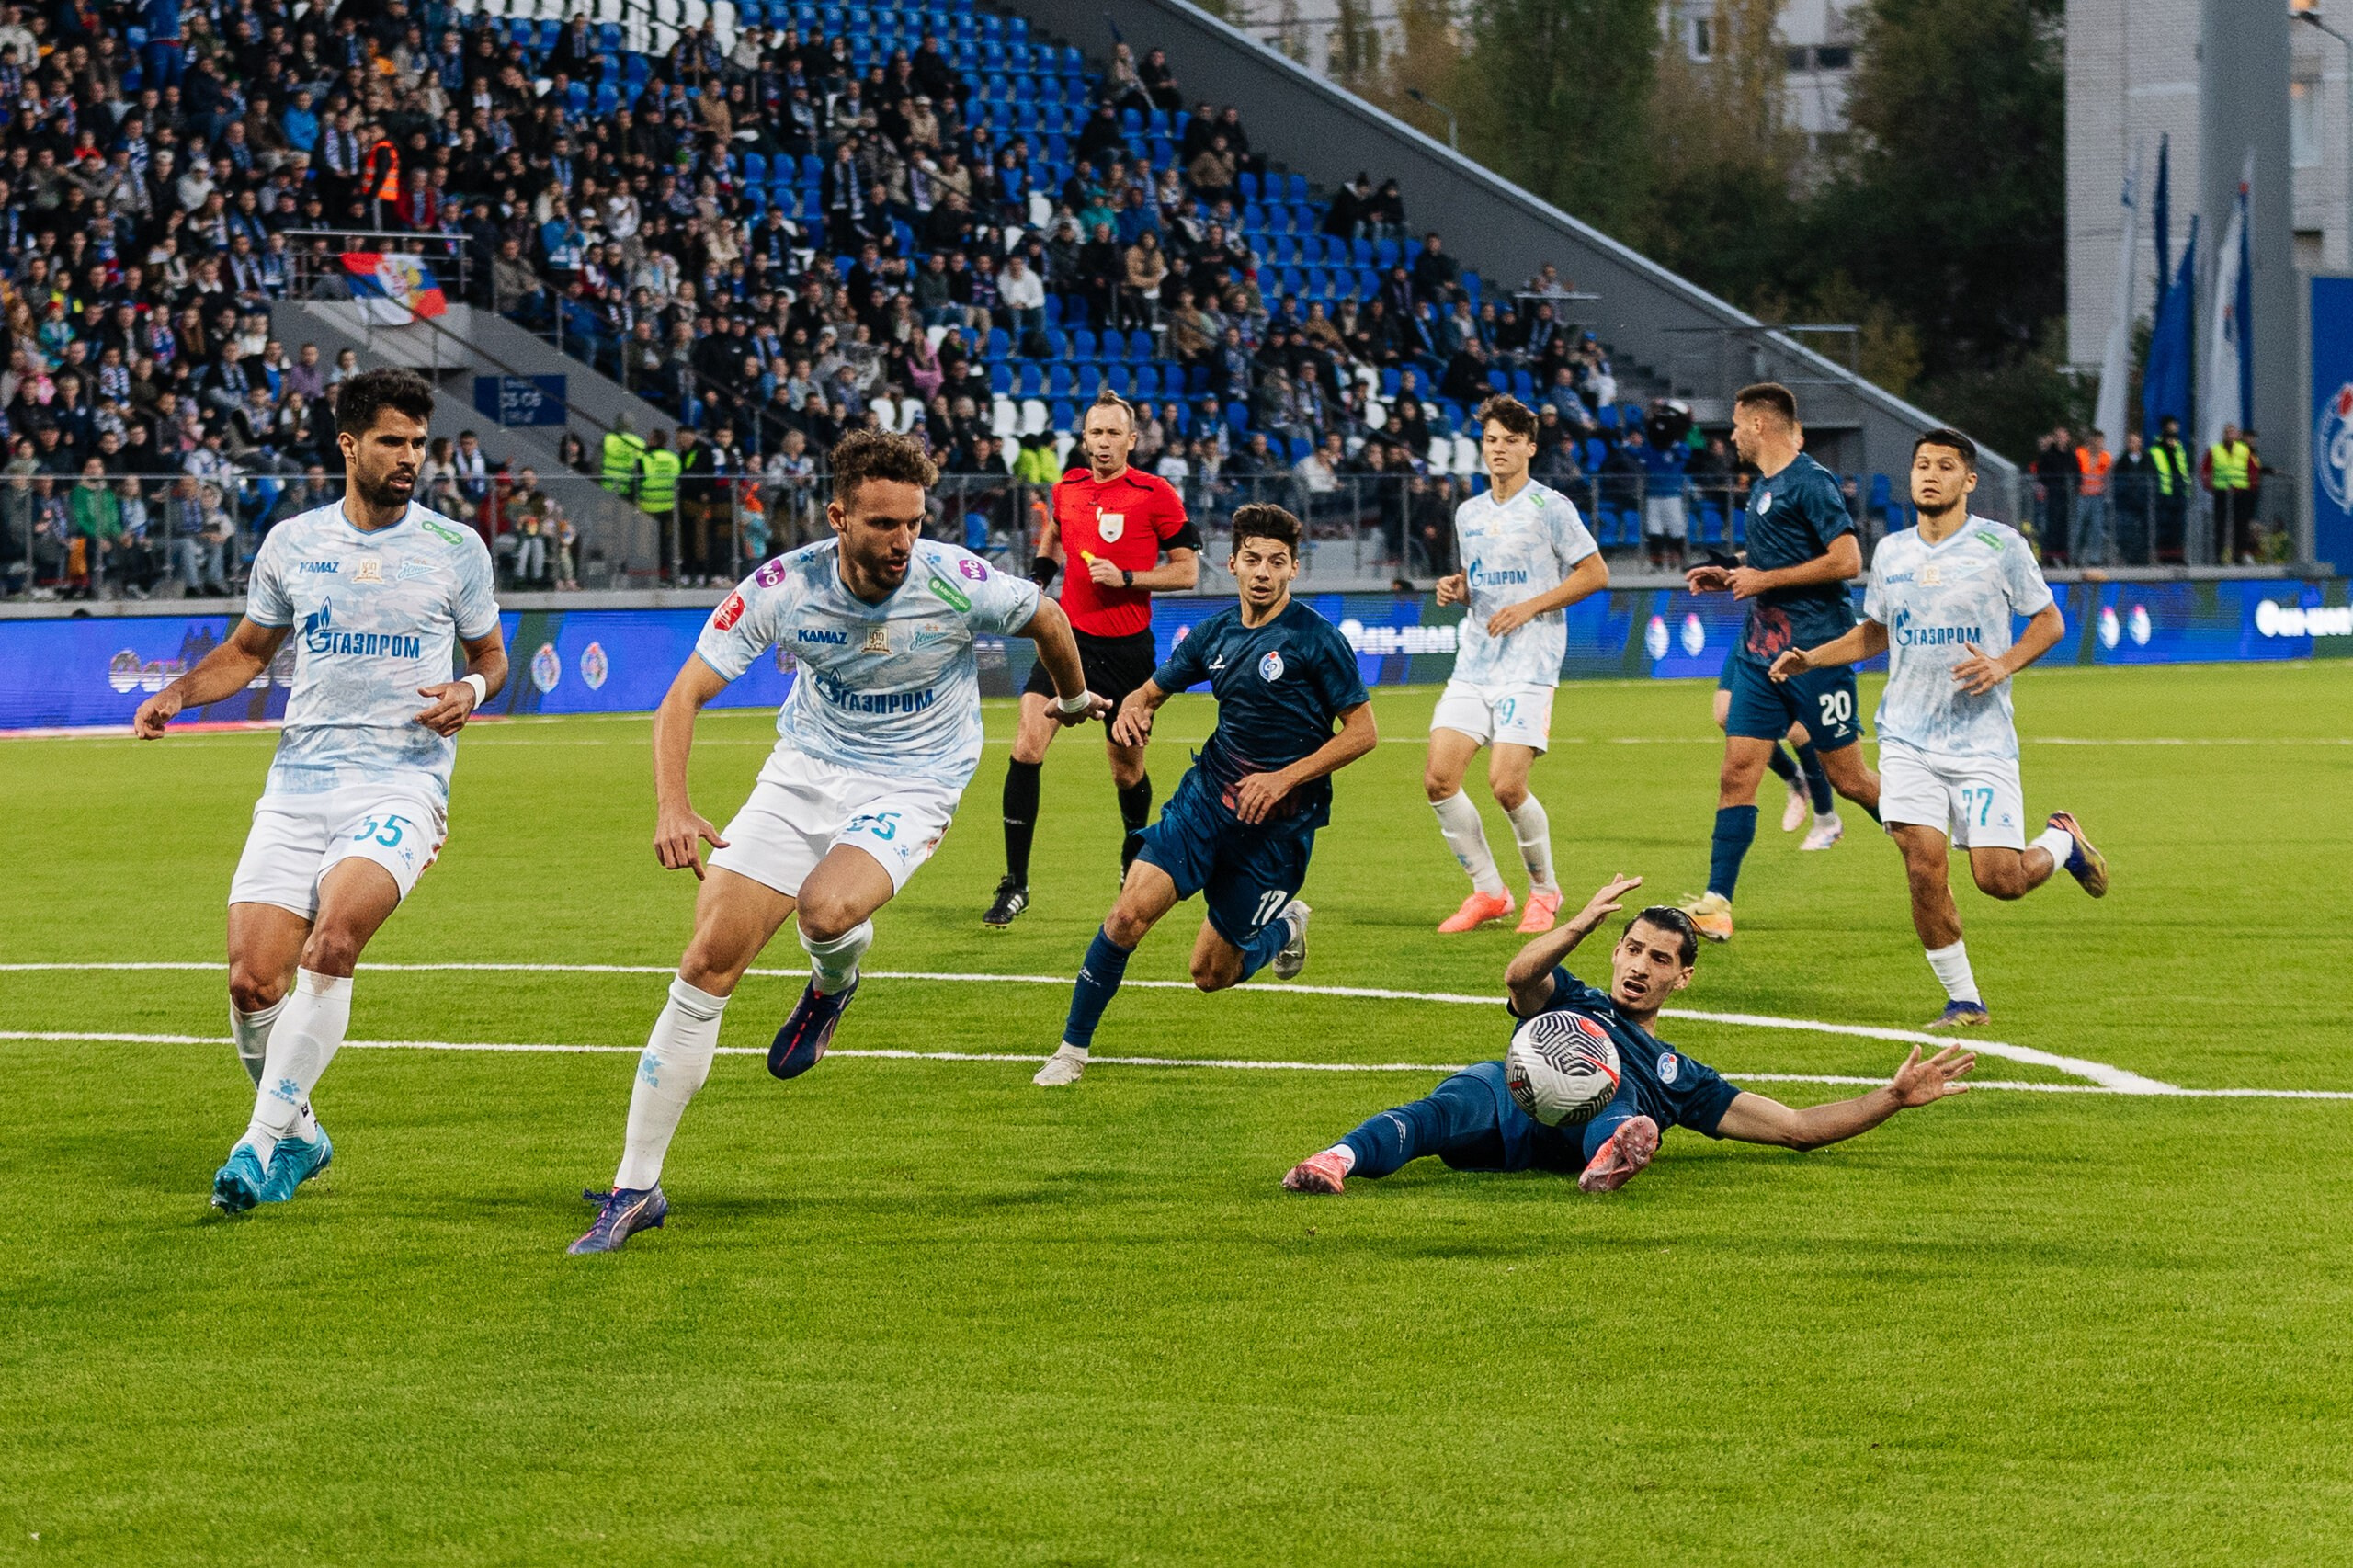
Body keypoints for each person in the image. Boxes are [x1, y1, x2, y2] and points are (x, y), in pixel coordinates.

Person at [571, 432, 1104, 1254]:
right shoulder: (784, 588)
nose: (903, 541)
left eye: (914, 523)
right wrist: (673, 805)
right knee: (707, 961)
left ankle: (832, 982)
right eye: (884, 523)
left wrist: (1069, 701)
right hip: (805, 773)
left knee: (824, 910)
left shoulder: (956, 580)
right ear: (839, 517)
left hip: (916, 780)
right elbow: (680, 699)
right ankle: (635, 1188)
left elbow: (1049, 617)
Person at [129, 370, 506, 1214]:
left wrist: (471, 690)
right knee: (251, 983)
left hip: (402, 784)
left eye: (419, 443)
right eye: (392, 441)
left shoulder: (456, 548)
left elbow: (491, 656)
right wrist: (178, 693)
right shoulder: (294, 543)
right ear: (349, 444)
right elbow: (248, 651)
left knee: (332, 945)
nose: (410, 457)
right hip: (299, 783)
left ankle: (257, 1145)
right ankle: (301, 1135)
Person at [1279, 877, 1977, 1195]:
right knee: (1446, 1106)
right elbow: (1519, 977)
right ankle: (1335, 1160)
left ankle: (1616, 1148)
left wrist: (1890, 1098)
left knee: (1618, 1097)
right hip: (1509, 1103)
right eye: (1634, 950)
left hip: (1579, 1127)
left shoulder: (1681, 1075)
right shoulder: (1572, 996)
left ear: (1684, 977)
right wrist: (1579, 923)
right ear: (1616, 951)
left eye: (1660, 959)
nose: (1641, 967)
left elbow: (1795, 1127)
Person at [1769, 428, 2109, 1027]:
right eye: (1922, 464)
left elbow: (2050, 622)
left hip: (1981, 743)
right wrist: (1813, 657)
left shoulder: (2000, 545)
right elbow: (1876, 632)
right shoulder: (1892, 552)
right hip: (1906, 739)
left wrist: (2003, 663)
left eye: (1945, 466)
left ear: (1969, 480)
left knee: (2000, 880)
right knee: (1923, 865)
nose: (1930, 474)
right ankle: (1965, 1000)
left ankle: (2061, 841)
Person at [1032, 505, 1377, 1087]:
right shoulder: (1213, 635)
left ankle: (1285, 926)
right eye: (1252, 560)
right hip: (1204, 805)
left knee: (1210, 974)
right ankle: (1071, 1051)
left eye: (1276, 562)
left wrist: (1284, 777)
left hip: (1276, 830)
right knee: (1126, 916)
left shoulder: (1317, 639)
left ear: (1294, 569)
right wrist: (1132, 713)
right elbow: (1146, 693)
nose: (1263, 572)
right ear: (1232, 563)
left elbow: (1364, 732)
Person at [985, 392, 1201, 926]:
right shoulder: (1068, 488)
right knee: (1026, 746)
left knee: (1127, 772)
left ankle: (1133, 858)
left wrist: (1128, 578)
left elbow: (1187, 572)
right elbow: (1055, 533)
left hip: (1129, 653)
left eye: (1113, 434)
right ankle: (1015, 884)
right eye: (1095, 433)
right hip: (1068, 642)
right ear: (1084, 439)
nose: (1103, 443)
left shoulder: (1156, 494)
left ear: (1132, 440)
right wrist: (1039, 577)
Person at [1677, 383, 1879, 943]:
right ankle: (1717, 902)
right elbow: (1778, 555)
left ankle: (1925, 837)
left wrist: (1765, 578)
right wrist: (1734, 572)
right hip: (1760, 654)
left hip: (1815, 655)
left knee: (1851, 780)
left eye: (1736, 424)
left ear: (1760, 425)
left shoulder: (1811, 481)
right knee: (1736, 773)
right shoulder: (1764, 487)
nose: (1732, 435)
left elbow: (1847, 559)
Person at [1424, 395, 1608, 936]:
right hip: (1475, 662)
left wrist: (1530, 606)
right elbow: (1476, 582)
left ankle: (1545, 893)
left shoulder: (1551, 506)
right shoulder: (1469, 513)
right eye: (1491, 440)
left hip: (1531, 663)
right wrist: (1456, 590)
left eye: (1510, 440)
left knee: (1506, 784)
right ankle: (1489, 892)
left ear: (1530, 446)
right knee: (1438, 779)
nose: (1499, 449)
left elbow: (1595, 574)